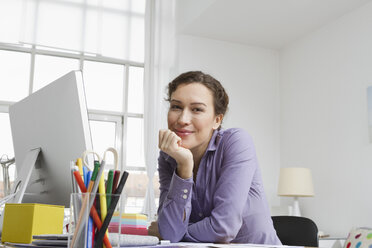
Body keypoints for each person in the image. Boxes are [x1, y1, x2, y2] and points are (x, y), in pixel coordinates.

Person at [148, 71, 281, 244]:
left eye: (197, 109)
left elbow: (223, 229)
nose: (182, 119)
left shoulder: (236, 142)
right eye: (176, 107)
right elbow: (170, 231)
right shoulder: (169, 156)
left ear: (217, 120)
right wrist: (184, 167)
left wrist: (174, 233)